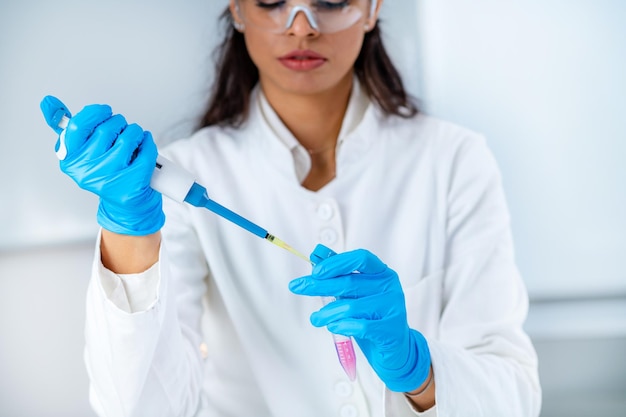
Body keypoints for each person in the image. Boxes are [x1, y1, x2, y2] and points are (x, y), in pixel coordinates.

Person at [40, 1, 541, 416]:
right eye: (273, 1)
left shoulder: (454, 160)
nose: (301, 25)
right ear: (237, 9)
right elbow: (138, 407)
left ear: (371, 10)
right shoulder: (184, 174)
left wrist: (419, 370)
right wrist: (130, 232)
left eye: (330, 1)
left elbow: (512, 395)